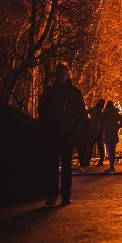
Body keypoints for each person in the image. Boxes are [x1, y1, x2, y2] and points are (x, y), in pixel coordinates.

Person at [37, 62, 86, 206]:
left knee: (64, 166)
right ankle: (53, 195)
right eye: (58, 74)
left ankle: (64, 195)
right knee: (53, 166)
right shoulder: (52, 92)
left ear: (67, 74)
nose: (60, 76)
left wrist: (74, 130)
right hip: (54, 133)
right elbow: (42, 110)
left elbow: (80, 113)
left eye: (62, 74)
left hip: (66, 134)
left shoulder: (72, 93)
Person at [101, 100, 121, 173]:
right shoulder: (115, 113)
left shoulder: (104, 114)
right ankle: (112, 165)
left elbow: (100, 123)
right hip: (114, 132)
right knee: (113, 149)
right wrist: (117, 126)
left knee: (109, 150)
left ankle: (111, 166)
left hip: (107, 133)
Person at [86, 99, 106, 166]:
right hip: (99, 130)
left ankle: (88, 160)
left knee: (91, 145)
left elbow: (85, 112)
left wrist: (89, 122)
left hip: (92, 129)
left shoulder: (94, 109)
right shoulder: (102, 111)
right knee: (100, 145)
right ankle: (101, 160)